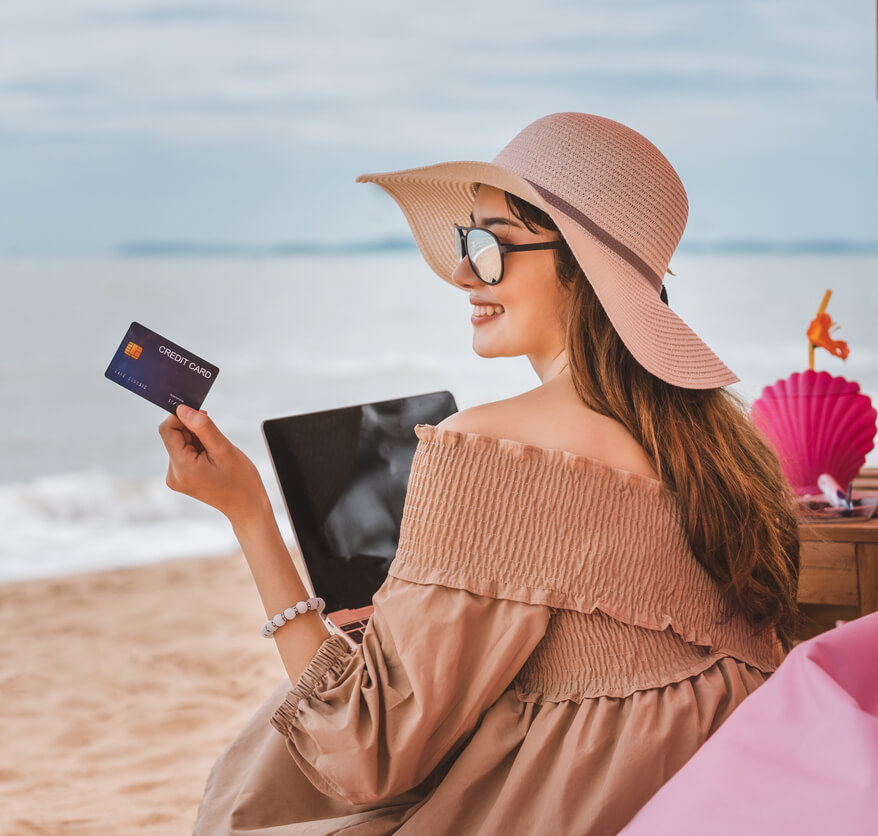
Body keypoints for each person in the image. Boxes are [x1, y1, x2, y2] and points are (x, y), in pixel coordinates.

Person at [157, 112, 801, 835]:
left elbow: (367, 751)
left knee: (266, 777)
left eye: (491, 246)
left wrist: (248, 512)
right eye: (468, 241)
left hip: (573, 804)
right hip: (715, 791)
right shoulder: (725, 448)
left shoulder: (489, 448)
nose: (464, 271)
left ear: (581, 265)